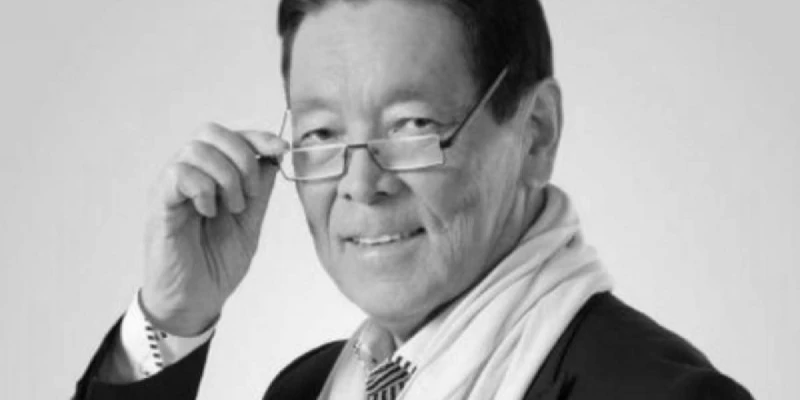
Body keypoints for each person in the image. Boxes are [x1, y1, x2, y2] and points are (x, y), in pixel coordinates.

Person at [73, 0, 754, 399]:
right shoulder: (308, 389)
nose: (360, 183)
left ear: (536, 133)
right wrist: (173, 316)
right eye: (321, 133)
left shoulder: (662, 398)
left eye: (411, 125)